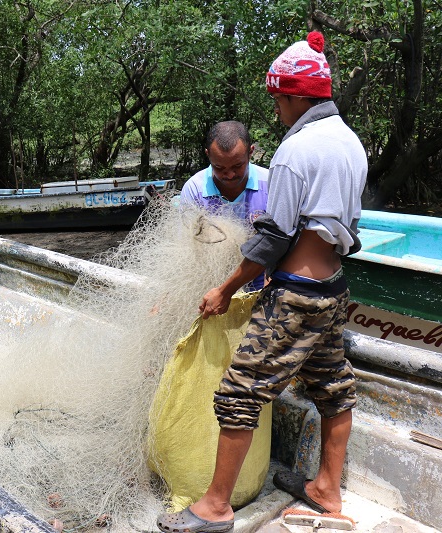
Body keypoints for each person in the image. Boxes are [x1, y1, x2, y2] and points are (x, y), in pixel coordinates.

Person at [157, 31, 367, 533]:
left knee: (238, 394)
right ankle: (326, 490)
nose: (277, 109)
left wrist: (225, 289)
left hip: (296, 293)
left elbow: (273, 238)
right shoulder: (350, 141)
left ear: (295, 96)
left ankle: (214, 507)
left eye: (278, 99)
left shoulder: (297, 150)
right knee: (334, 388)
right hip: (334, 287)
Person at [180, 120, 269, 289]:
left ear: (251, 152)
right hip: (212, 288)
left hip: (263, 287)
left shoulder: (271, 183)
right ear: (208, 155)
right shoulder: (194, 189)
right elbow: (184, 251)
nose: (229, 174)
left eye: (237, 166)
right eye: (219, 167)